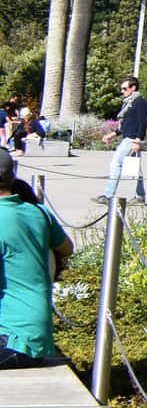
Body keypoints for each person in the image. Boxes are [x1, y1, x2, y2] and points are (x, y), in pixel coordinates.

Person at [0, 150, 71, 369]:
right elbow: (66, 248)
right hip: (35, 339)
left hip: (10, 340)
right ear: (13, 177)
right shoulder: (39, 212)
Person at [96, 76, 147, 205]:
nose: (122, 91)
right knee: (135, 169)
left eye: (125, 88)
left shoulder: (139, 102)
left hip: (132, 140)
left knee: (116, 164)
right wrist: (111, 135)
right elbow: (125, 125)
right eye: (122, 89)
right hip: (129, 137)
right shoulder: (128, 103)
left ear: (133, 88)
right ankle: (140, 196)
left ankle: (108, 195)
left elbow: (142, 123)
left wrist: (137, 141)